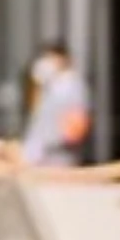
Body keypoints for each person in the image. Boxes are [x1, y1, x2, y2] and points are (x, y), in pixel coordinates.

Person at [22, 40, 92, 168]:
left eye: (52, 58)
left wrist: (63, 142)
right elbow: (34, 109)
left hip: (59, 152)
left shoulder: (73, 84)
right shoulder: (49, 84)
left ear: (64, 58)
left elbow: (78, 121)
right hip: (40, 151)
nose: (48, 62)